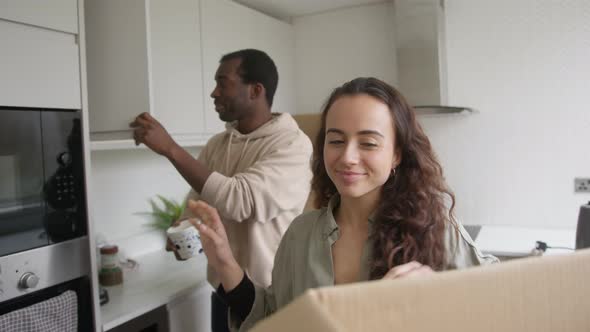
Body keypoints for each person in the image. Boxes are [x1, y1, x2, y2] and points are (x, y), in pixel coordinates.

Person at [184, 77, 499, 331]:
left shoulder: (434, 226)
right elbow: (272, 318)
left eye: (368, 143)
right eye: (336, 140)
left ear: (397, 154)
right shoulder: (300, 234)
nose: (348, 157)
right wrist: (225, 261)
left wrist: (439, 293)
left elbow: (500, 302)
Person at [130, 49, 313, 332]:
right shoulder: (217, 144)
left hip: (269, 295)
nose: (214, 93)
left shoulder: (292, 145)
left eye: (222, 83)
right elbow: (198, 207)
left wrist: (170, 148)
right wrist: (184, 233)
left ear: (255, 90)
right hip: (223, 291)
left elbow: (239, 200)